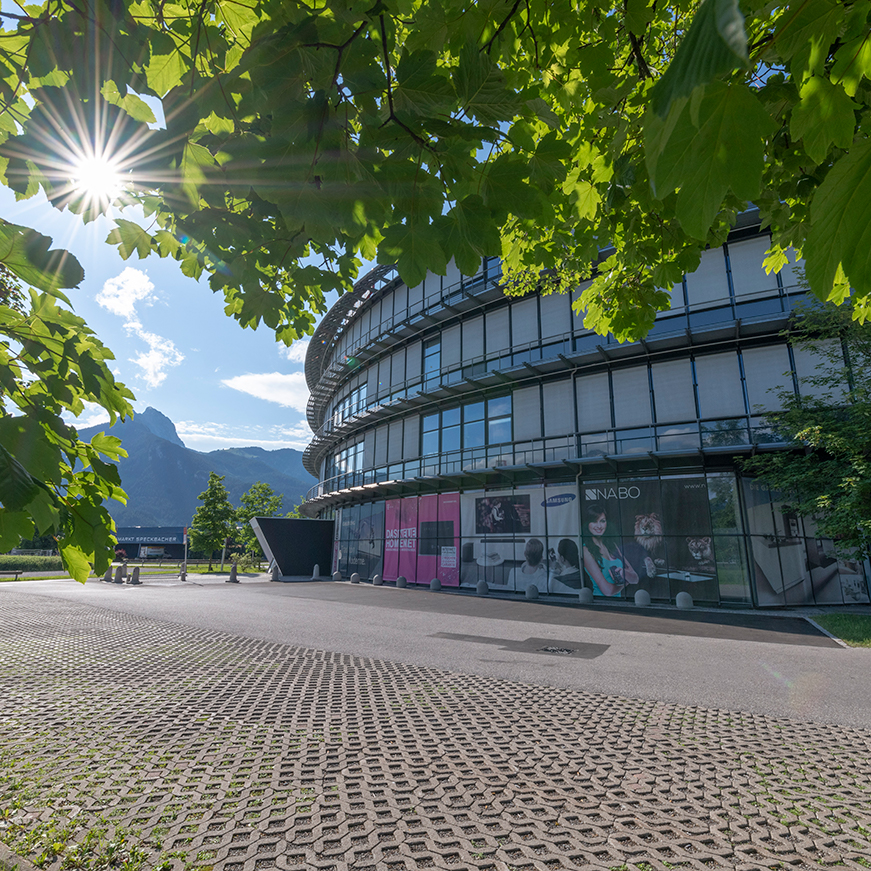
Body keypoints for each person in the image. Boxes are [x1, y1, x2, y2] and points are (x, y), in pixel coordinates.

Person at [582, 503, 639, 596]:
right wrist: (626, 582)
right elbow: (607, 591)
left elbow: (635, 578)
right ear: (587, 524)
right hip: (601, 604)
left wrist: (623, 573)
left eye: (602, 521)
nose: (599, 526)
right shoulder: (586, 550)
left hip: (619, 602)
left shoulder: (611, 545)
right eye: (594, 521)